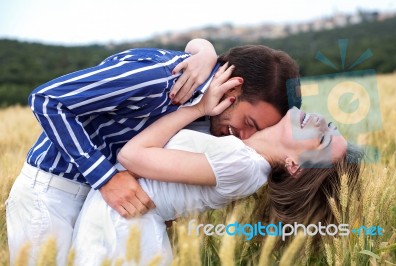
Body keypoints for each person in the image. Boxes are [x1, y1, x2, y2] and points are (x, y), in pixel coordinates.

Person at [6, 39, 301, 265]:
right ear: (233, 87)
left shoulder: (208, 114)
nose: (245, 137)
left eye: (258, 132)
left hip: (93, 202)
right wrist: (106, 179)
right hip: (50, 197)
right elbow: (48, 100)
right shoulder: (159, 79)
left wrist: (203, 47)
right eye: (249, 123)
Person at [71, 64, 362, 265]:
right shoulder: (238, 149)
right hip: (117, 222)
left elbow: (131, 155)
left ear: (295, 165)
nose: (322, 122)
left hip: (123, 233)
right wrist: (203, 50)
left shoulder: (243, 166)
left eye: (323, 139)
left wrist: (197, 108)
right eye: (332, 125)